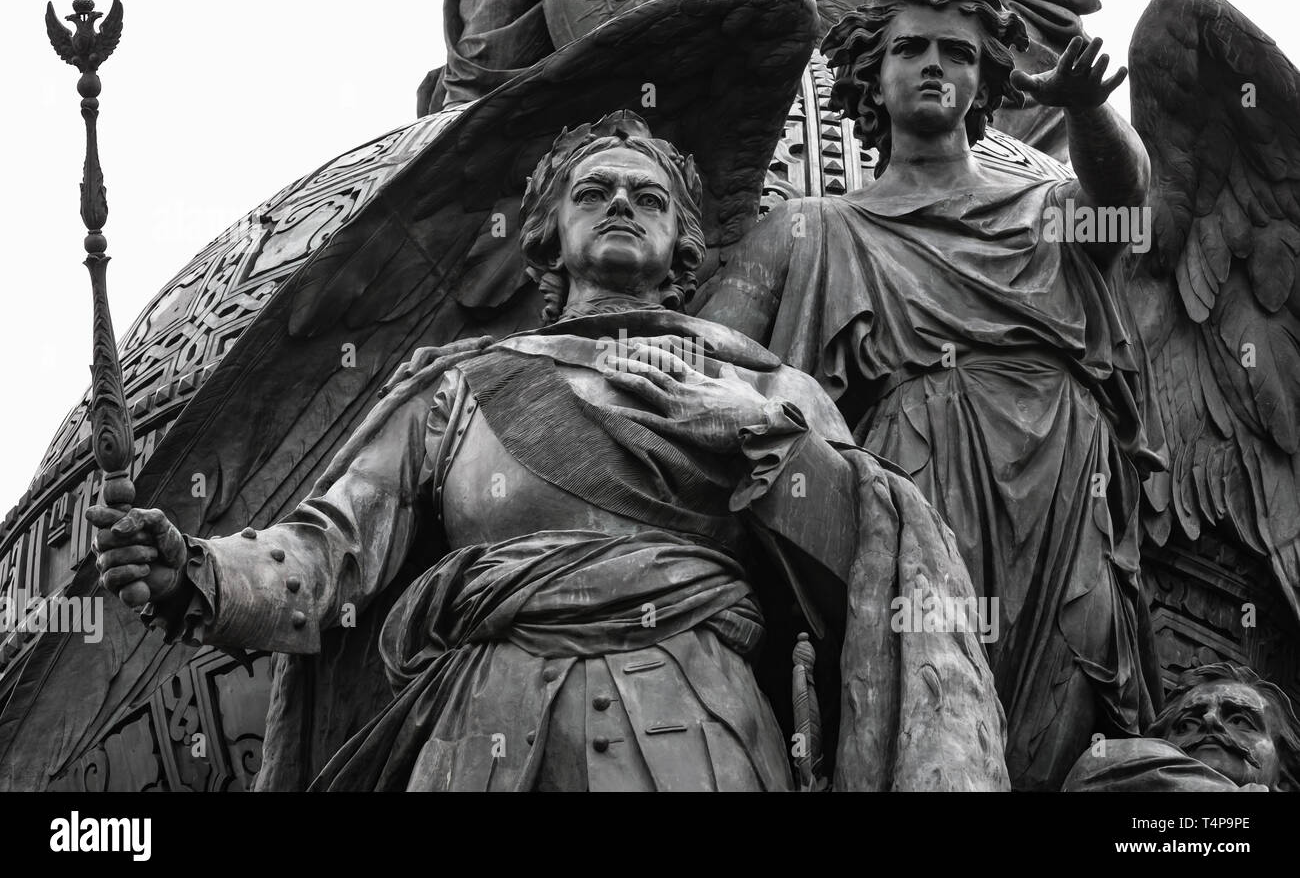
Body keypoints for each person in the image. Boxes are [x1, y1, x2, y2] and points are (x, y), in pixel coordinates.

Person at [88, 111, 1008, 791]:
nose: (620, 204)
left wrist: (758, 439)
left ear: (685, 245)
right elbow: (328, 552)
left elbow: (882, 560)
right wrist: (195, 573)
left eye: (648, 198)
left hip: (699, 715)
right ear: (548, 236)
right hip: (484, 716)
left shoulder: (761, 388)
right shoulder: (458, 384)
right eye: (593, 191)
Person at [699, 0, 1165, 790]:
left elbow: (1132, 205)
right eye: (911, 47)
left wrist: (1088, 106)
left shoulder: (1050, 208)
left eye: (958, 52)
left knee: (1073, 683)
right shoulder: (810, 230)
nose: (934, 65)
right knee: (923, 689)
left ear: (986, 80)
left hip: (1065, 471)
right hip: (908, 480)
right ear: (871, 76)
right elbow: (708, 366)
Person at [1064, 662, 1300, 791]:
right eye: (1186, 724)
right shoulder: (1105, 769)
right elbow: (1099, 764)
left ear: (1285, 781)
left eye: (1239, 721)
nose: (1210, 720)